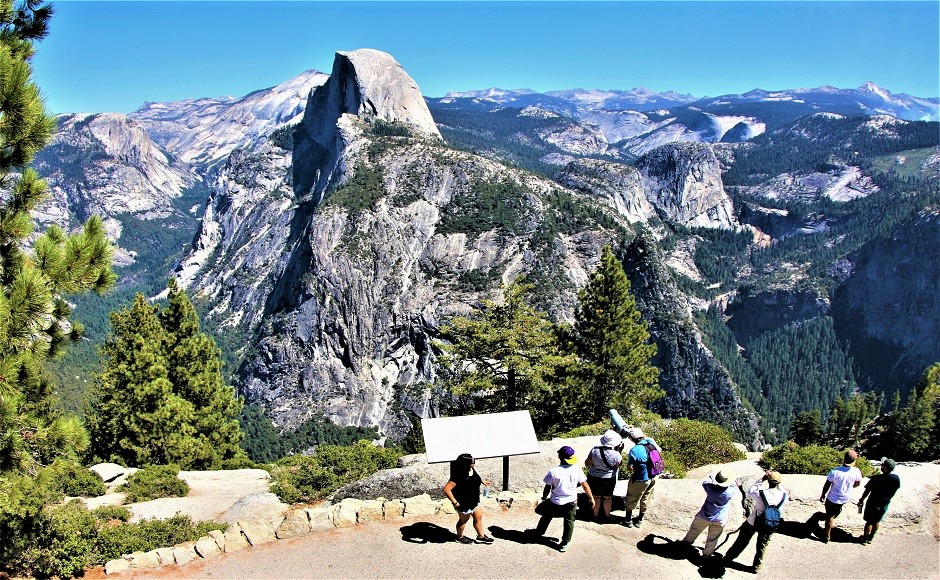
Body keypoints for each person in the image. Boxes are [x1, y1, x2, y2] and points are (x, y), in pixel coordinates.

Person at [529, 445, 595, 552]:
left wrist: (544, 498)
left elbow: (547, 486)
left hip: (555, 501)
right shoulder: (577, 470)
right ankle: (564, 543)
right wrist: (591, 498)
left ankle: (539, 533)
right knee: (569, 521)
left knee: (546, 517)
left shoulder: (554, 471)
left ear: (560, 457)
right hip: (571, 501)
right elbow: (585, 485)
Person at [723, 470, 788, 573]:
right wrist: (776, 479)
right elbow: (782, 489)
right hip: (770, 524)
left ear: (768, 481)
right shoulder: (784, 496)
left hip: (753, 522)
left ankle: (727, 559)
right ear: (779, 483)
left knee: (741, 541)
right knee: (762, 546)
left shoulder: (761, 493)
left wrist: (762, 478)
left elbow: (751, 490)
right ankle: (757, 567)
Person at [681, 471, 739, 560]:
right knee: (713, 539)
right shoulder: (730, 491)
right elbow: (735, 485)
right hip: (720, 519)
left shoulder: (710, 488)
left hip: (704, 516)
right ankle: (706, 555)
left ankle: (686, 544)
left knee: (694, 530)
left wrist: (713, 477)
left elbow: (705, 482)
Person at [442, 453, 494, 544]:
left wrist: (482, 481)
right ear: (466, 464)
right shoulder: (457, 476)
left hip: (473, 500)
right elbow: (446, 490)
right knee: (463, 520)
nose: (474, 463)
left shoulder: (471, 469)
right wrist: (455, 502)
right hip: (463, 502)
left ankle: (481, 536)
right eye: (472, 462)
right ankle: (460, 537)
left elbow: (474, 478)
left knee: (478, 517)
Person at [819, 449, 862, 543]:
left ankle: (826, 535)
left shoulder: (835, 471)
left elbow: (827, 484)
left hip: (832, 498)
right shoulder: (856, 471)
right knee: (836, 511)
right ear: (854, 461)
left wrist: (823, 494)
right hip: (845, 497)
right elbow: (857, 484)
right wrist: (850, 485)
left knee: (829, 517)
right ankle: (833, 517)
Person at [622, 426, 660, 528]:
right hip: (653, 476)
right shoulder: (651, 442)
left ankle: (628, 520)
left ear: (631, 438)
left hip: (641, 478)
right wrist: (634, 429)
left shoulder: (635, 450)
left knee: (632, 498)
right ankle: (639, 520)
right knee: (646, 498)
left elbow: (630, 467)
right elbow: (646, 437)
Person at [857, 457, 901, 545]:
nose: (881, 466)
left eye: (883, 465)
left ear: (885, 468)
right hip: (884, 504)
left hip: (873, 503)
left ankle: (864, 539)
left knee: (869, 521)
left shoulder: (876, 478)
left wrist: (862, 499)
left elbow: (867, 491)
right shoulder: (896, 479)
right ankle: (871, 538)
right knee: (876, 521)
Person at [584, 430, 623, 523]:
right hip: (609, 479)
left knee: (596, 497)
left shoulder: (594, 450)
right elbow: (617, 467)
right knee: (607, 497)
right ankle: (607, 516)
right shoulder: (617, 455)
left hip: (594, 477)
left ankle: (595, 516)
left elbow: (587, 464)